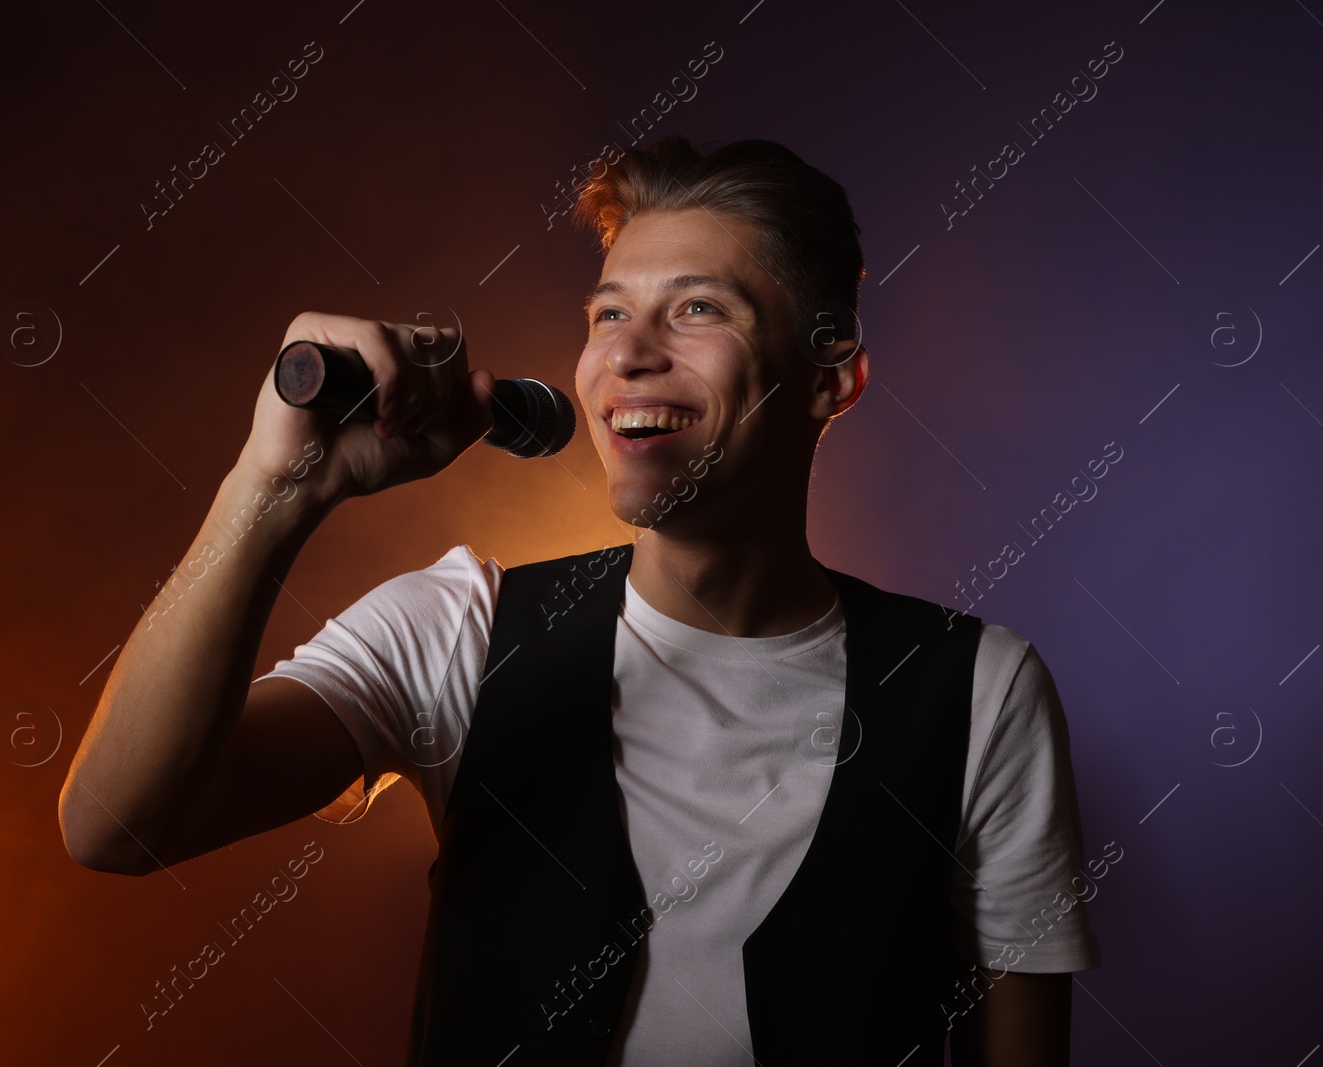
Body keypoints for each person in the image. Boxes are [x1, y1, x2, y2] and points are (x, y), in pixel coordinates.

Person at [59, 135, 1100, 1066]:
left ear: (832, 378)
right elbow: (116, 826)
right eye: (608, 313)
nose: (627, 352)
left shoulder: (978, 688)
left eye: (696, 308)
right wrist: (275, 491)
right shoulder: (458, 628)